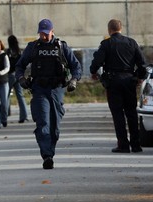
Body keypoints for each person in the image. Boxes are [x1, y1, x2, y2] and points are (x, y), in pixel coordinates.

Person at [15, 19, 82, 169]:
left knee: (55, 128)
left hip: (57, 89)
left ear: (52, 31)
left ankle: (50, 151)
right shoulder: (33, 47)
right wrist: (21, 78)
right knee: (43, 123)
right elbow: (19, 65)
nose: (44, 36)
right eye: (41, 34)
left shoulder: (61, 47)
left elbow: (76, 66)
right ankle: (47, 155)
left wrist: (74, 81)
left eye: (46, 33)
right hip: (39, 89)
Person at [90, 19, 147, 153]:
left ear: (109, 30)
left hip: (113, 82)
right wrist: (139, 77)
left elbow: (96, 62)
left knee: (118, 114)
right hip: (129, 81)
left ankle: (123, 145)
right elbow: (142, 63)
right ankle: (136, 145)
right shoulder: (132, 43)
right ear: (121, 29)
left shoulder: (106, 44)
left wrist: (93, 72)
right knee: (131, 113)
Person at [6, 35, 28, 123]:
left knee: (6, 96)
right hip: (19, 75)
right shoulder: (20, 52)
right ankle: (24, 115)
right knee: (20, 96)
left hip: (10, 74)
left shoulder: (8, 52)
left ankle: (6, 113)